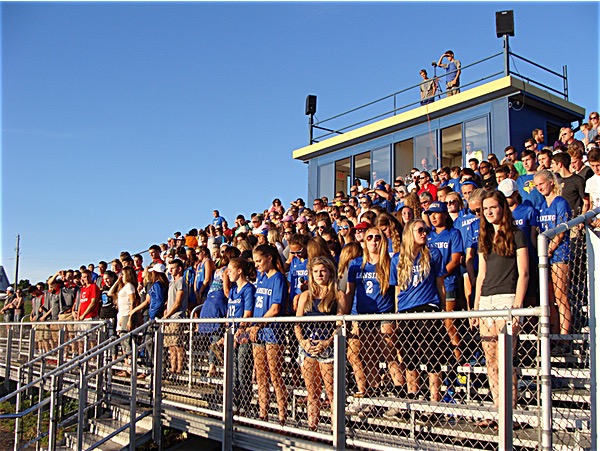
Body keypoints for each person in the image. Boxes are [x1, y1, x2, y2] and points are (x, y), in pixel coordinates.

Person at [470, 190, 529, 428]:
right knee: (490, 358)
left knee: (505, 357)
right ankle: (497, 408)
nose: (489, 212)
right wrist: (475, 306)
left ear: (503, 208)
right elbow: (481, 275)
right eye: (485, 209)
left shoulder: (517, 234)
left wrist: (517, 306)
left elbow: (524, 272)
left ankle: (510, 411)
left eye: (493, 207)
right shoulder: (483, 237)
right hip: (486, 301)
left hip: (507, 298)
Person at [391, 219, 446, 414]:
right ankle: (412, 397)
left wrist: (444, 309)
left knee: (432, 355)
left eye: (426, 230)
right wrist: (397, 314)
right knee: (409, 356)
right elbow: (397, 288)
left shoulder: (434, 254)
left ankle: (434, 401)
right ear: (409, 233)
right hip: (406, 309)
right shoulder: (397, 259)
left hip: (428, 306)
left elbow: (440, 284)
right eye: (420, 230)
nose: (425, 233)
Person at [346, 226, 403, 403]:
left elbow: (397, 290)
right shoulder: (356, 264)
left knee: (390, 355)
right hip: (364, 316)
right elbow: (350, 292)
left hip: (384, 313)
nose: (373, 241)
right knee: (369, 357)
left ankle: (401, 396)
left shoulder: (390, 262)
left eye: (377, 237)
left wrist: (397, 314)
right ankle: (373, 395)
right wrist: (346, 317)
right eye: (369, 237)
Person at [294, 256, 344, 431]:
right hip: (308, 346)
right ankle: (312, 427)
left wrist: (327, 343)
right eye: (315, 271)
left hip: (327, 348)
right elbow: (297, 323)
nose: (319, 274)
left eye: (322, 270)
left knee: (331, 393)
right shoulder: (306, 295)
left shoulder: (337, 294)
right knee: (312, 392)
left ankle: (335, 430)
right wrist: (303, 342)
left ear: (330, 272)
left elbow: (340, 325)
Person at [247, 244, 289, 425]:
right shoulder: (261, 278)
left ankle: (282, 416)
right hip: (259, 333)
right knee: (261, 376)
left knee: (275, 375)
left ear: (269, 258)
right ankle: (262, 413)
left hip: (272, 333)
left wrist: (257, 325)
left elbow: (275, 308)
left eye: (259, 261)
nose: (256, 265)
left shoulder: (278, 278)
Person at [535, 169, 572, 349]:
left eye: (542, 183)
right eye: (537, 185)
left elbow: (562, 228)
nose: (539, 187)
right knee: (549, 296)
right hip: (545, 255)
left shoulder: (560, 203)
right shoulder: (542, 206)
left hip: (559, 254)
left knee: (560, 294)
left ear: (551, 182)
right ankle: (555, 333)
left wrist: (551, 248)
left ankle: (565, 336)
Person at [225, 257, 256, 414]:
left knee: (243, 370)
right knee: (233, 372)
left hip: (242, 336)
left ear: (239, 271)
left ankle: (244, 403)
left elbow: (248, 313)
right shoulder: (232, 290)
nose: (228, 273)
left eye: (230, 270)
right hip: (232, 334)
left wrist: (239, 331)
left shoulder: (248, 289)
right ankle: (234, 401)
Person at [108, 267, 140, 377]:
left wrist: (130, 317)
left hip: (126, 315)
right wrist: (117, 281)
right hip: (121, 315)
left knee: (127, 342)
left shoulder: (130, 286)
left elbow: (133, 301)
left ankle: (130, 368)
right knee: (123, 342)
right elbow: (110, 293)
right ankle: (126, 367)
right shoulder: (124, 287)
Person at [163, 259, 189, 375]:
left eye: (173, 268)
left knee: (178, 344)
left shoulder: (181, 281)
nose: (170, 270)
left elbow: (178, 302)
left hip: (177, 316)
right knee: (171, 345)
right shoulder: (171, 282)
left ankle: (179, 367)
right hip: (170, 317)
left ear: (179, 269)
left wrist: (168, 315)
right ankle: (172, 367)